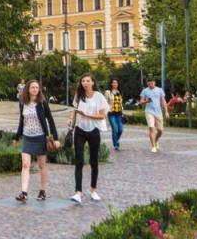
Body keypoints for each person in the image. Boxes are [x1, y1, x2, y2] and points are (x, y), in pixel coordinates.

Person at [11, 79, 59, 203]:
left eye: (37, 88)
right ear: (28, 89)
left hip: (40, 137)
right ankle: (24, 193)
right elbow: (22, 121)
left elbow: (51, 120)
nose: (35, 90)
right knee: (25, 164)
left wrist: (56, 138)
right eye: (33, 87)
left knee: (41, 165)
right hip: (27, 138)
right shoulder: (23, 103)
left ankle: (42, 191)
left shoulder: (42, 103)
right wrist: (16, 137)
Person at [68, 73, 108, 204]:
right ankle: (78, 192)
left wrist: (88, 115)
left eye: (87, 81)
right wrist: (71, 120)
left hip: (93, 130)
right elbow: (74, 109)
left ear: (92, 82)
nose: (84, 83)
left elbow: (102, 116)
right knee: (79, 160)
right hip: (79, 129)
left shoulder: (99, 97)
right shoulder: (79, 95)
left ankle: (93, 190)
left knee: (93, 161)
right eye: (83, 80)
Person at [140, 78, 169, 152]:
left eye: (152, 82)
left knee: (160, 130)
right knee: (151, 128)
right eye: (149, 82)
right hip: (149, 111)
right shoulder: (145, 91)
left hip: (158, 112)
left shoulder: (160, 90)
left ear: (154, 82)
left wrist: (166, 111)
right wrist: (147, 101)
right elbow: (141, 101)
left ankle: (156, 141)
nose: (151, 83)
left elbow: (163, 101)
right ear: (147, 83)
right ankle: (153, 146)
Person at [103, 78, 124, 151]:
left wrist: (122, 112)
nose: (115, 84)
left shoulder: (119, 92)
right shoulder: (108, 92)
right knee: (115, 129)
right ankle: (116, 144)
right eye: (113, 83)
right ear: (111, 84)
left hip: (119, 113)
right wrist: (105, 111)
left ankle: (116, 140)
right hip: (111, 113)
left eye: (116, 83)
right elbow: (104, 102)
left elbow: (120, 103)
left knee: (120, 130)